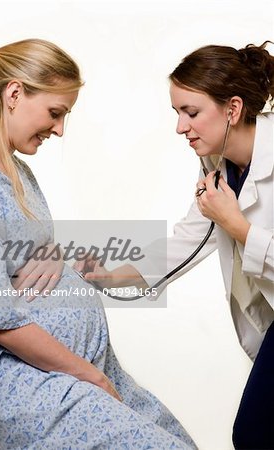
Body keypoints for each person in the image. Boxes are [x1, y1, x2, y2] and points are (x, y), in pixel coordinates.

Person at [0, 39, 197, 450]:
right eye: (55, 113)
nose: (59, 129)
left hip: (76, 365)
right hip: (24, 380)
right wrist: (90, 377)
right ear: (14, 93)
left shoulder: (16, 170)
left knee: (177, 441)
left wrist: (59, 258)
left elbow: (20, 257)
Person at [75, 41, 274, 449]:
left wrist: (236, 225)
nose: (180, 128)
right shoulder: (218, 165)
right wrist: (111, 276)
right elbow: (185, 241)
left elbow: (232, 227)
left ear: (233, 109)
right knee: (256, 433)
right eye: (177, 113)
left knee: (255, 432)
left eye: (192, 113)